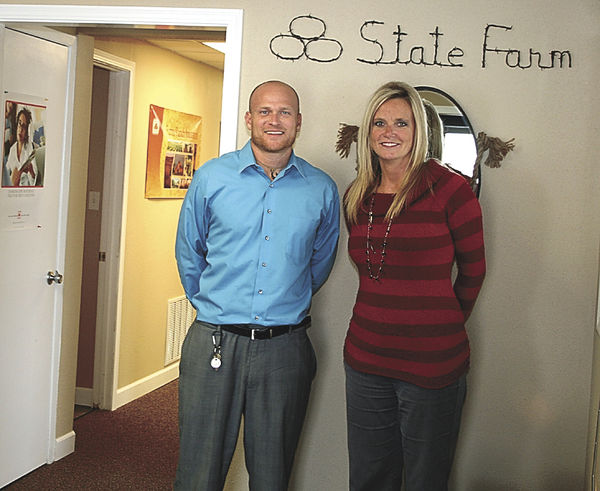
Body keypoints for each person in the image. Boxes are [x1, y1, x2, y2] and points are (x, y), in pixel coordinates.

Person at [174, 80, 340, 490]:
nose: (274, 120)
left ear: (298, 121)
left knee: (272, 475)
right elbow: (189, 253)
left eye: (284, 112)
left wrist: (284, 299)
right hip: (214, 342)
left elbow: (318, 264)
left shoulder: (321, 188)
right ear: (249, 119)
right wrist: (216, 308)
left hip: (285, 349)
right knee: (198, 473)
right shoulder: (211, 178)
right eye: (265, 111)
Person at [342, 81, 486, 491]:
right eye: (379, 122)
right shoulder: (357, 196)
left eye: (401, 123)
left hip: (432, 365)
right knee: (369, 478)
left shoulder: (452, 190)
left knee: (426, 480)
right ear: (368, 132)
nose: (389, 132)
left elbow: (474, 272)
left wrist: (440, 324)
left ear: (419, 130)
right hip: (366, 361)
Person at [4, 107, 37, 187]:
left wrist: (31, 172)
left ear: (27, 130)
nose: (21, 129)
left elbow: (35, 182)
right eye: (19, 123)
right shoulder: (12, 149)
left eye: (24, 126)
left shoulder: (31, 148)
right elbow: (6, 173)